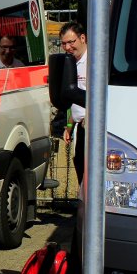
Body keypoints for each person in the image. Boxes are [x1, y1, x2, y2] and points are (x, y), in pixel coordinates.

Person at [59, 22, 88, 184]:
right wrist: (69, 126)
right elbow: (73, 98)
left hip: (90, 127)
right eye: (64, 43)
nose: (68, 47)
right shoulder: (70, 63)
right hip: (78, 125)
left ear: (82, 38)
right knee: (79, 168)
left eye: (71, 42)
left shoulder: (94, 62)